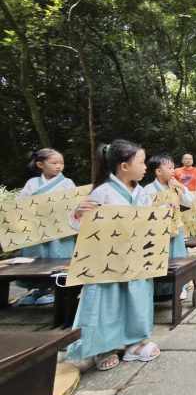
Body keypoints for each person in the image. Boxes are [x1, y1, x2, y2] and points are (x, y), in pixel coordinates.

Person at [67, 139, 160, 371]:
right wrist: (79, 214)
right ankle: (103, 347)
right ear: (124, 166)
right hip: (106, 262)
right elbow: (81, 226)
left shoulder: (141, 193)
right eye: (141, 162)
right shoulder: (103, 191)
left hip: (135, 259)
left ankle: (133, 342)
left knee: (137, 298)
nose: (145, 166)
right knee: (107, 302)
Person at [16, 148, 77, 306]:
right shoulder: (32, 183)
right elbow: (21, 203)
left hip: (59, 229)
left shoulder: (67, 182)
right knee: (37, 260)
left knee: (58, 259)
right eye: (54, 163)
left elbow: (73, 204)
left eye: (61, 163)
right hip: (38, 229)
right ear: (40, 164)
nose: (59, 166)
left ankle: (54, 290)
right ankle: (38, 290)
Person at [143, 154, 194, 301]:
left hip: (176, 229)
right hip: (157, 232)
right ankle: (159, 290)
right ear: (158, 171)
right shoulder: (148, 189)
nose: (173, 170)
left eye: (173, 167)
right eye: (170, 168)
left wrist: (182, 187)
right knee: (159, 259)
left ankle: (180, 287)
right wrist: (164, 208)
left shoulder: (176, 186)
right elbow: (144, 211)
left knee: (178, 257)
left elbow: (190, 202)